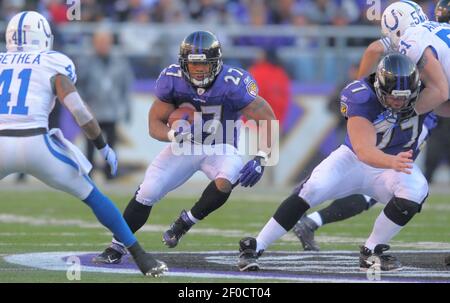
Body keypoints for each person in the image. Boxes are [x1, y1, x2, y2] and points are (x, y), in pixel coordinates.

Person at [0, 11, 167, 277]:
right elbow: (79, 112)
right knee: (92, 195)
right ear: (43, 36)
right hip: (36, 143)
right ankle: (141, 257)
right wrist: (102, 145)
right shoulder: (53, 62)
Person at [93, 30, 276, 264]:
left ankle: (186, 221)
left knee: (228, 177)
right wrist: (172, 134)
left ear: (217, 63)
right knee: (148, 191)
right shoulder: (172, 79)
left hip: (222, 146)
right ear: (183, 63)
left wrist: (261, 157)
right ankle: (116, 247)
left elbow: (267, 118)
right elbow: (153, 124)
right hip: (185, 146)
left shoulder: (233, 82)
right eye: (193, 65)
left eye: (204, 65)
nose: (198, 71)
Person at [238, 53, 429, 272]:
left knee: (416, 189)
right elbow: (363, 150)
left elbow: (442, 89)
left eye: (404, 97)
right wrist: (391, 161)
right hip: (355, 160)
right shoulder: (361, 95)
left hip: (391, 167)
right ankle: (255, 247)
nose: (398, 102)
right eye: (393, 96)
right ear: (379, 86)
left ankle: (371, 251)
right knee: (311, 189)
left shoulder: (428, 92)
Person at [292, 1, 439, 251]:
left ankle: (311, 219)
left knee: (375, 189)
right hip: (396, 114)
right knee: (365, 173)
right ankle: (306, 207)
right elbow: (373, 50)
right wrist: (361, 90)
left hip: (414, 114)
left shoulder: (425, 39)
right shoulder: (415, 41)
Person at [77, 28, 134, 180]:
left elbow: (125, 86)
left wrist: (126, 108)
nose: (102, 46)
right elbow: (79, 85)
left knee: (112, 144)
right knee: (90, 144)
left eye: (105, 42)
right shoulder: (86, 62)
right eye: (99, 42)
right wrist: (82, 105)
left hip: (111, 109)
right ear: (94, 44)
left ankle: (110, 173)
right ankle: (89, 173)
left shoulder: (119, 61)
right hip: (92, 110)